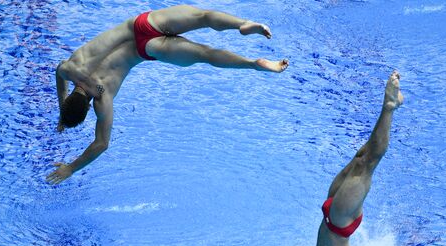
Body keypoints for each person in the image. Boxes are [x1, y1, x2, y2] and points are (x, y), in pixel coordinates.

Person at [47, 5, 289, 185]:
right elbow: (60, 76)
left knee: (206, 55)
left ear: (88, 109)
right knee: (203, 17)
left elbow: (101, 144)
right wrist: (62, 108)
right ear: (70, 98)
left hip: (148, 49)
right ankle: (242, 24)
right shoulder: (70, 67)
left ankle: (252, 64)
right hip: (143, 25)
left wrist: (71, 168)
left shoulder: (103, 99)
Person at [315, 71, 404, 246]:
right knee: (362, 160)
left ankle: (389, 107)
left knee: (365, 162)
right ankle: (390, 107)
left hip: (337, 220)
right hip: (336, 219)